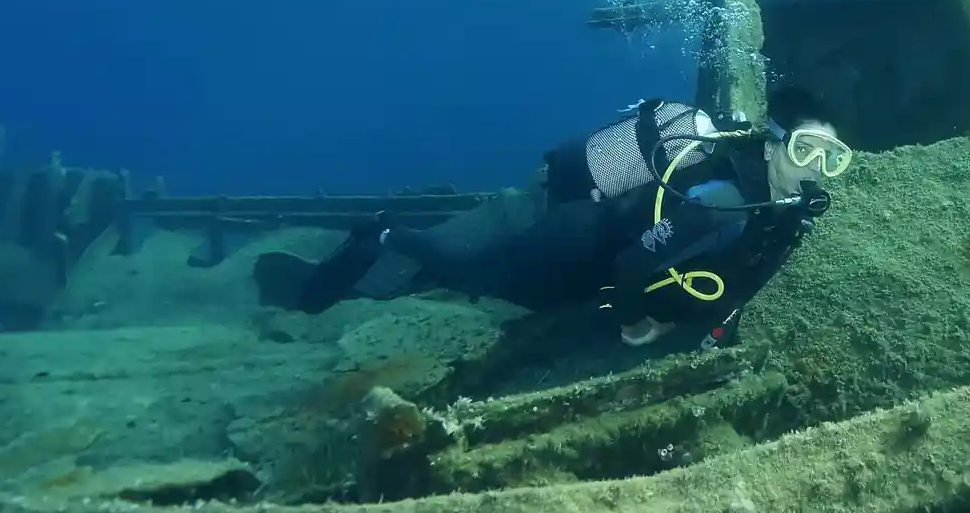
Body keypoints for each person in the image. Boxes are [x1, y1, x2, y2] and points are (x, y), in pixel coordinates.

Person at [255, 86, 853, 349]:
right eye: (805, 150)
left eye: (831, 157)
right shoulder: (724, 199)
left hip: (589, 239)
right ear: (772, 145)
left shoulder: (777, 199)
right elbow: (632, 263)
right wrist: (636, 327)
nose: (816, 169)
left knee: (477, 272)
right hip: (574, 238)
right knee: (468, 272)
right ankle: (387, 233)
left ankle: (399, 257)